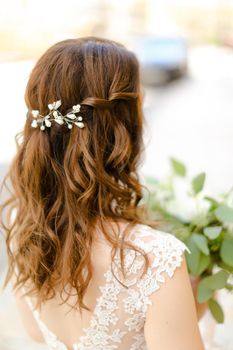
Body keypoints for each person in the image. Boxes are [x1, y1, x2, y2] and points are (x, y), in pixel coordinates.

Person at [0, 37, 204, 350]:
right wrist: (193, 300)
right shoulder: (156, 258)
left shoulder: (27, 229)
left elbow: (37, 332)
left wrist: (184, 309)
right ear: (124, 129)